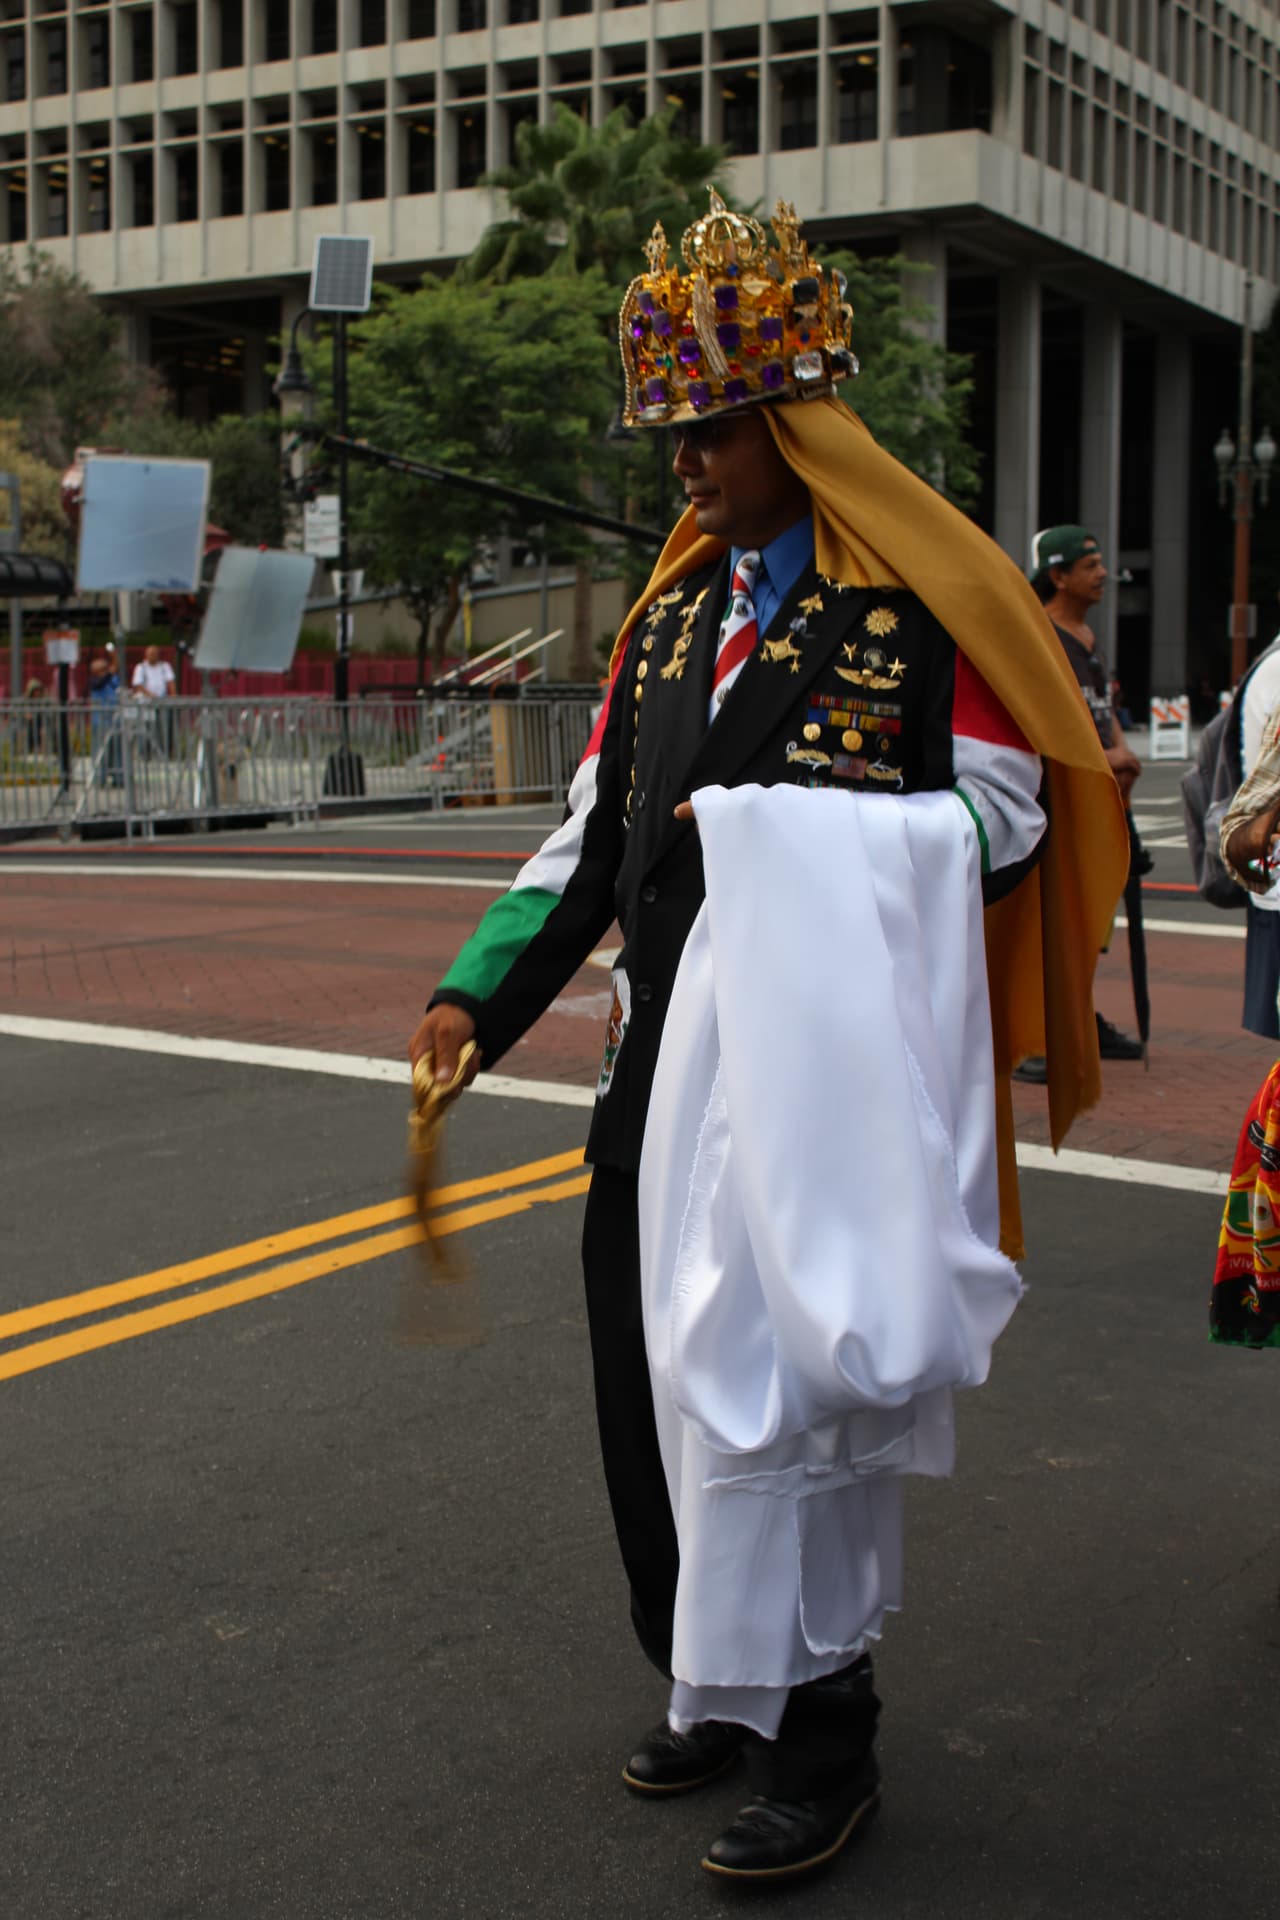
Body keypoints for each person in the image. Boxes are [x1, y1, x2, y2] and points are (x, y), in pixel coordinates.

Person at [408, 196, 1127, 1884]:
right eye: (673, 441)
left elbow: (1007, 814)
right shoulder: (662, 627)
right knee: (648, 1398)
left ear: (794, 432)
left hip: (812, 1097)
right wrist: (474, 996)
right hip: (653, 1085)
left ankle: (830, 1730)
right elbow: (595, 837)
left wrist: (805, 854)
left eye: (710, 433)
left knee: (787, 1414)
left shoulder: (907, 627)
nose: (688, 471)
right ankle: (715, 1676)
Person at [1012, 526, 1145, 1081]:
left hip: (1101, 795)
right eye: (1088, 564)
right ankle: (1033, 1034)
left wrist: (1119, 751)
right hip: (1057, 800)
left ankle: (1075, 1018)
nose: (1101, 573)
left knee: (1092, 920)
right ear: (1057, 574)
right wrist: (1101, 759)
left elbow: (1100, 705)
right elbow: (1042, 723)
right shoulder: (1037, 636)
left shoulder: (1087, 639)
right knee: (1053, 918)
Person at [131, 643, 176, 755]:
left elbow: (170, 682)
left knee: (164, 727)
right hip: (146, 704)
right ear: (146, 655)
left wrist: (174, 696)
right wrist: (151, 696)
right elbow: (138, 685)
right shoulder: (141, 667)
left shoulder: (164, 666)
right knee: (146, 728)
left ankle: (165, 751)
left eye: (154, 654)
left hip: (162, 702)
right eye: (150, 654)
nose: (152, 656)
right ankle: (145, 753)